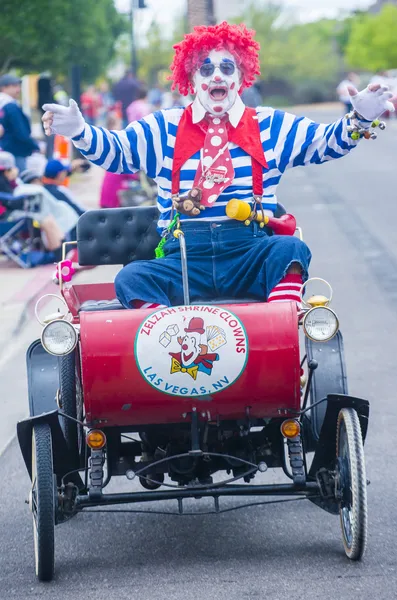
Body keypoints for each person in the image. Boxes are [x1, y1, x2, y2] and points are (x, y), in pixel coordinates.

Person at [42, 22, 395, 311]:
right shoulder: (162, 127)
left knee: (290, 250)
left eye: (226, 68)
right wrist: (80, 132)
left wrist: (359, 118)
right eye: (205, 69)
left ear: (240, 78)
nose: (216, 77)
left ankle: (277, 324)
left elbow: (324, 143)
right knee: (131, 278)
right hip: (184, 260)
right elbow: (116, 153)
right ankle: (165, 337)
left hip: (247, 254)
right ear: (191, 79)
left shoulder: (270, 126)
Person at [0, 74, 40, 172]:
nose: (18, 89)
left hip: (4, 149)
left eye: (18, 86)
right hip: (16, 150)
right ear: (4, 88)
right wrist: (35, 146)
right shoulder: (10, 106)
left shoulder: (3, 104)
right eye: (14, 86)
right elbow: (21, 132)